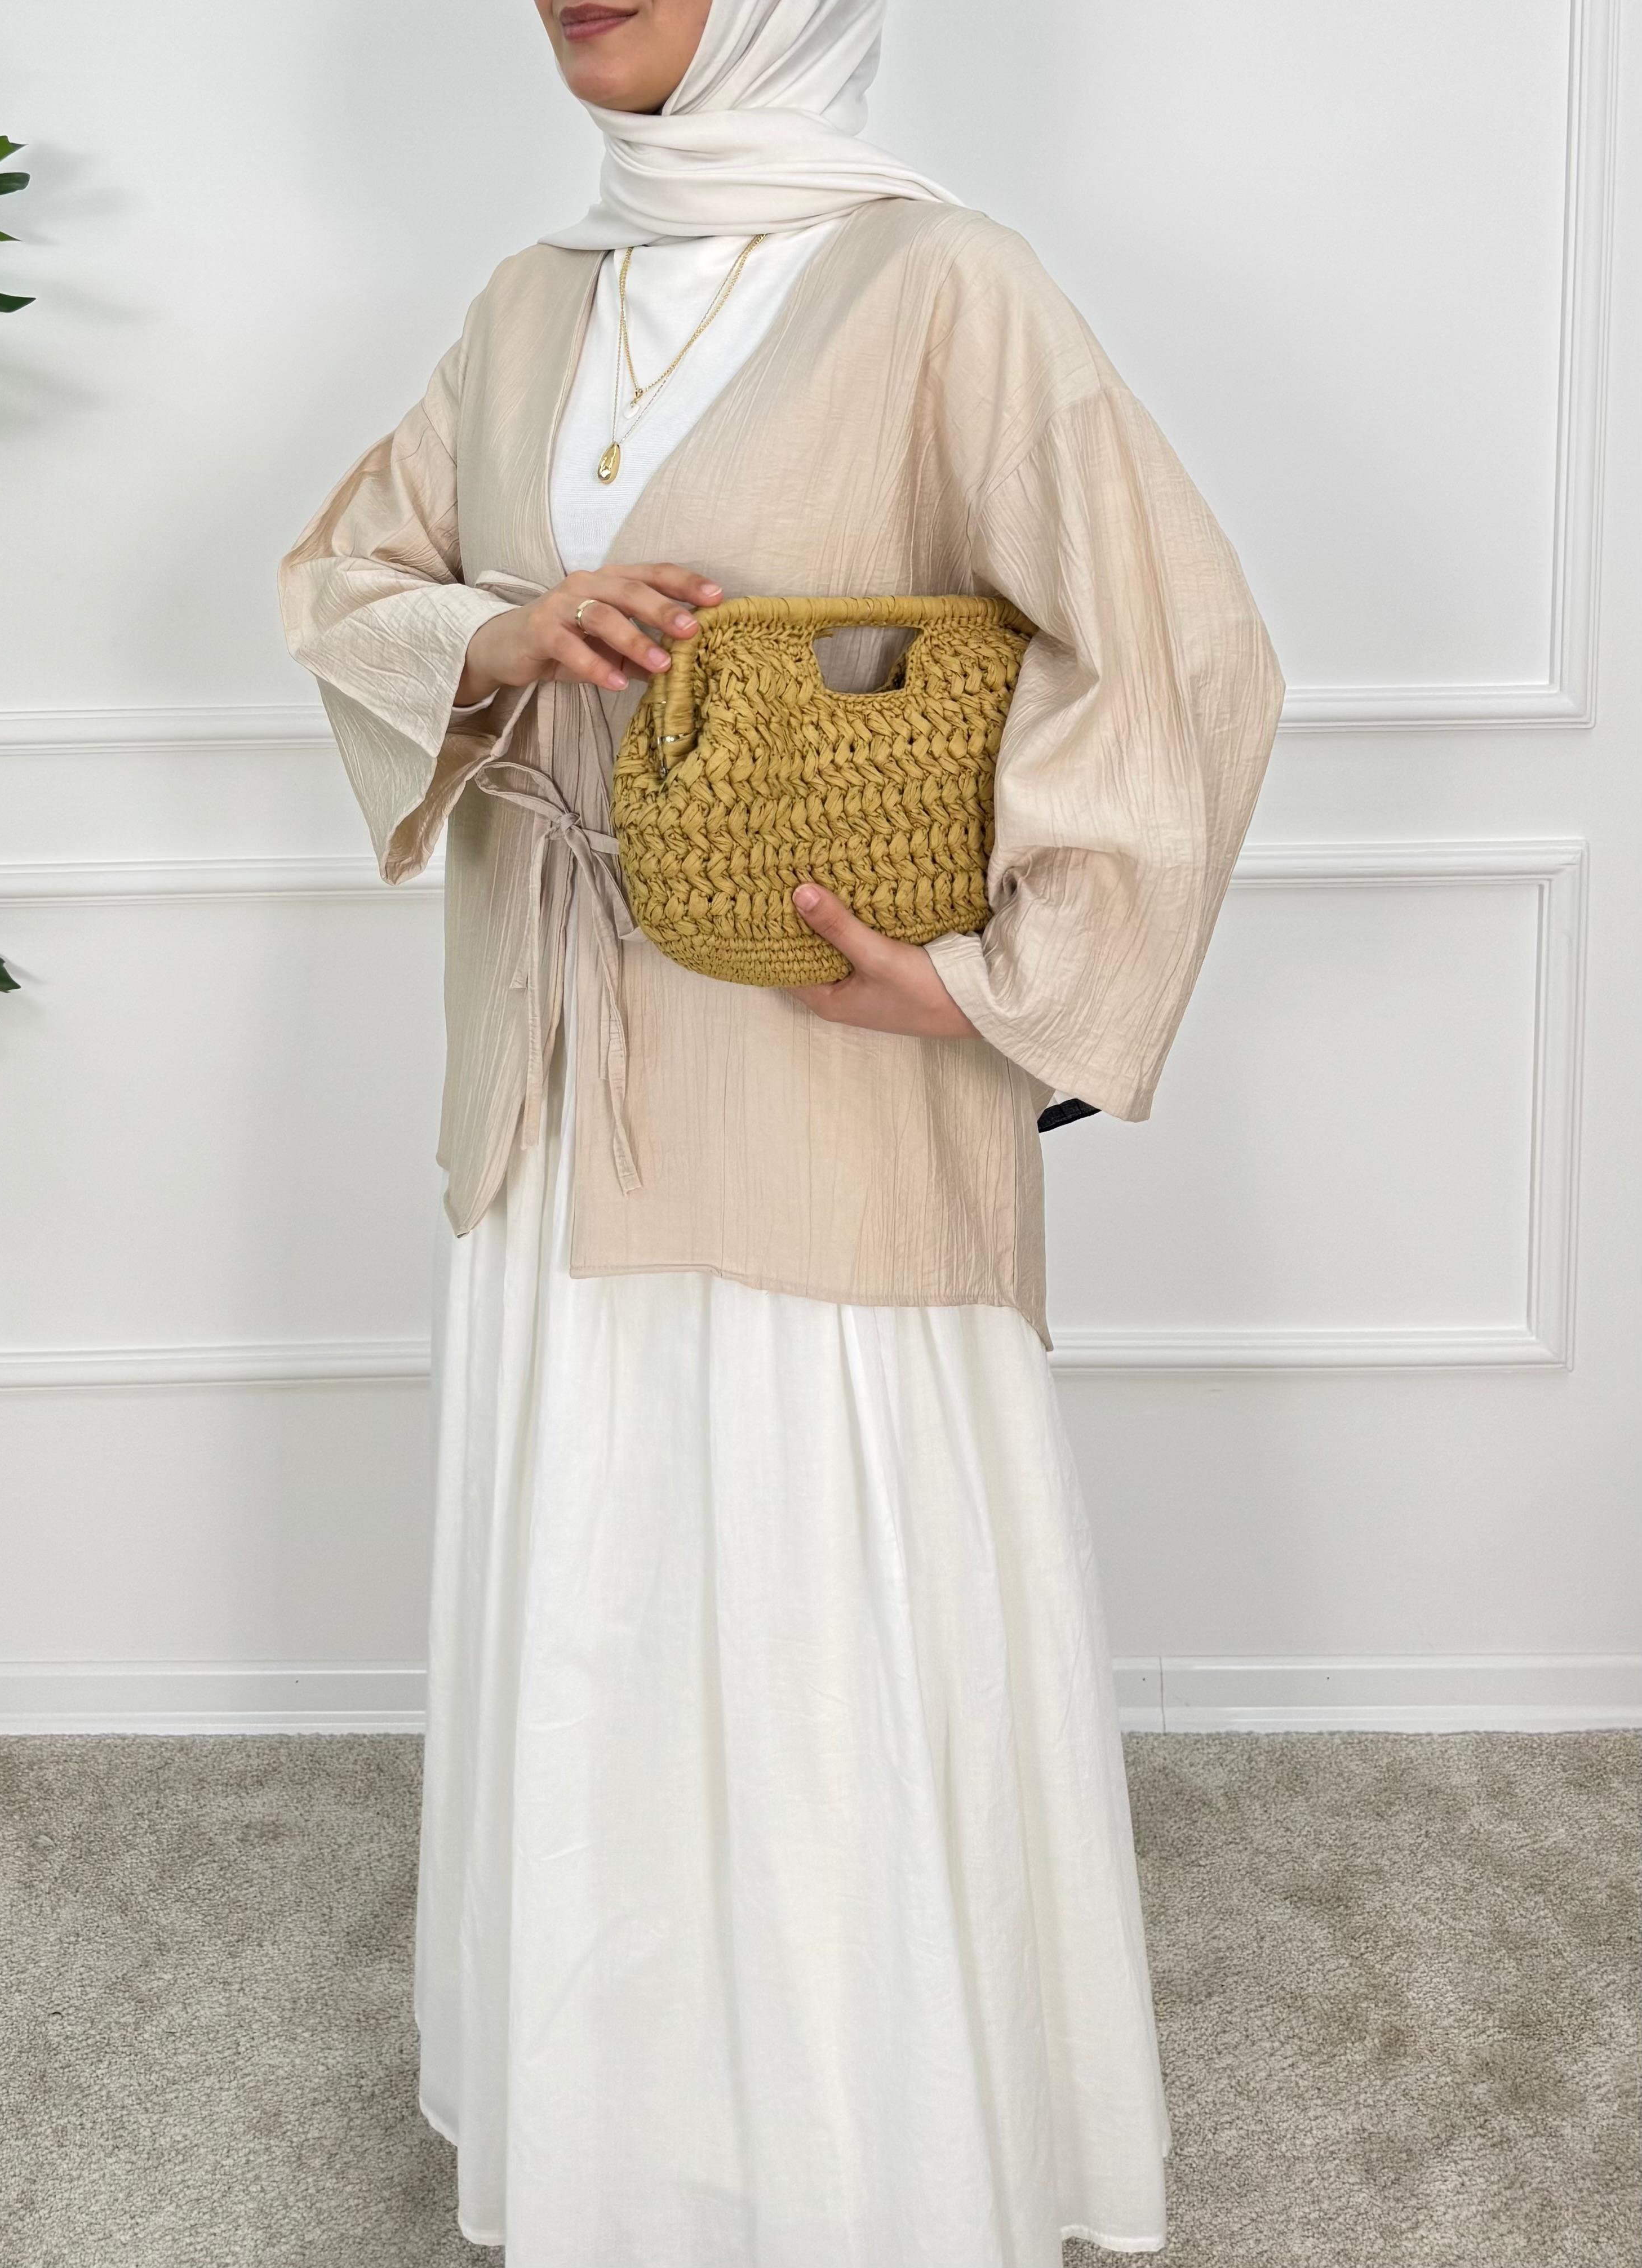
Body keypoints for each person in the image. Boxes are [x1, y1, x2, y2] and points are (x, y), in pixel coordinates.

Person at [279, 1, 1285, 2258]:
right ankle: (626, 2150)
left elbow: (1183, 654)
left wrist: (999, 975)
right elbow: (345, 582)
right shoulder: (528, 306)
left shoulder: (947, 287)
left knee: (819, 1622)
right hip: (559, 1069)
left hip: (819, 1085)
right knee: (598, 1612)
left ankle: (869, 2170)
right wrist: (503, 628)